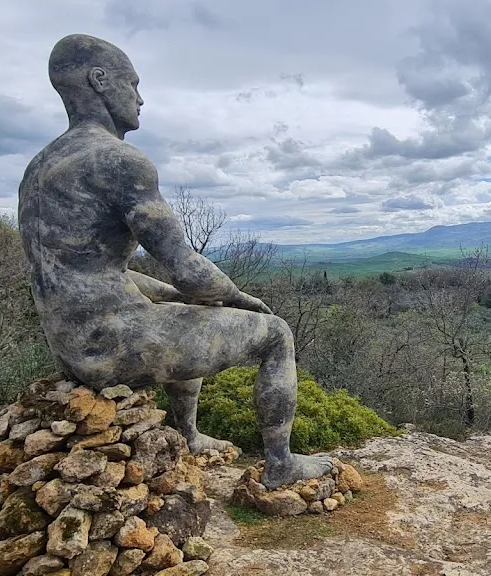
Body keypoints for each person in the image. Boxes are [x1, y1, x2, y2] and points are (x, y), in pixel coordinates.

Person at [18, 33, 332, 489]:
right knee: (276, 335)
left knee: (184, 312)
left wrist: (180, 296)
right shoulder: (117, 161)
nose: (140, 98)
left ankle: (188, 435)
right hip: (114, 346)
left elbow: (90, 274)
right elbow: (185, 266)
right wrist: (240, 298)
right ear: (99, 80)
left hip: (72, 344)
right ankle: (280, 464)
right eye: (133, 83)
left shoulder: (40, 167)